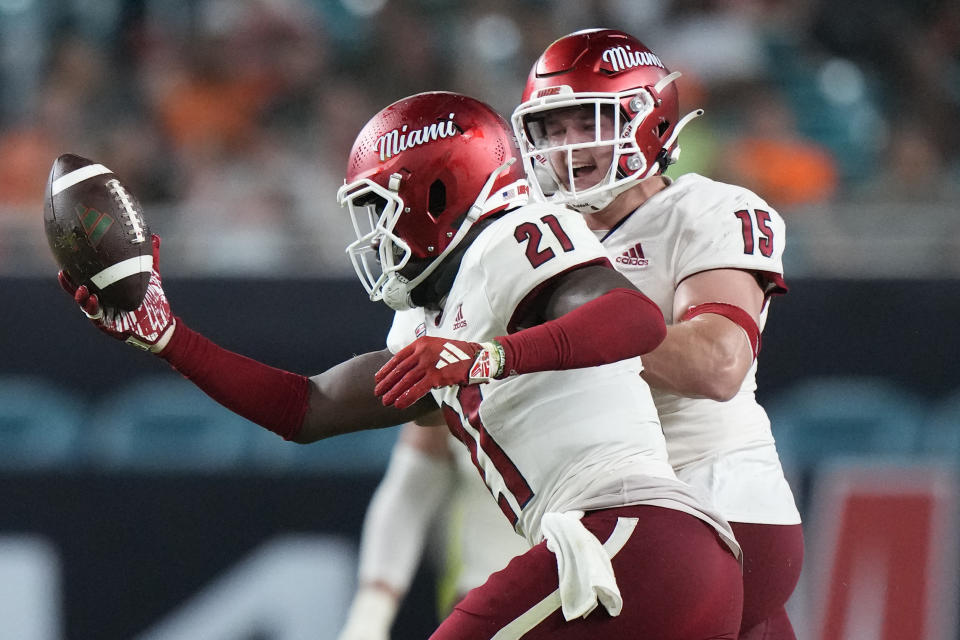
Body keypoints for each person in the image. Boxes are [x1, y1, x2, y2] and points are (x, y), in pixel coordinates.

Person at [58, 90, 743, 638]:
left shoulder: (513, 239)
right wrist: (167, 337)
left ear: (437, 195)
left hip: (632, 540)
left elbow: (634, 319)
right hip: (657, 565)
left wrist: (489, 355)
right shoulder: (428, 316)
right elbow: (308, 408)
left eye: (379, 208)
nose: (372, 235)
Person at [511, 29, 804, 640]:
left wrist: (567, 330)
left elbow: (718, 364)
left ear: (645, 118)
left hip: (712, 500)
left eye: (586, 123)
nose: (567, 147)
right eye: (552, 129)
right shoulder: (536, 238)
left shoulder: (707, 210)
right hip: (620, 515)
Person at [337, 417, 530, 640]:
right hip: (486, 612)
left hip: (574, 609)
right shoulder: (453, 386)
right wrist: (369, 617)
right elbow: (410, 494)